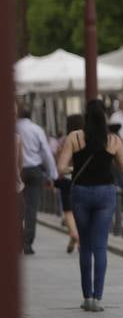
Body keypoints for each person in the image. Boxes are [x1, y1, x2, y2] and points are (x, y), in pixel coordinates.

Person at [56, 99, 123, 311]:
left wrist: (74, 169)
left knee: (85, 246)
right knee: (101, 246)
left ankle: (86, 297)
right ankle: (98, 298)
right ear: (104, 117)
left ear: (86, 116)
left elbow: (61, 167)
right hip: (105, 193)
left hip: (80, 193)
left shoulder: (75, 137)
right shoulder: (113, 140)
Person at [17, 104, 58, 254]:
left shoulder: (12, 128)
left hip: (15, 171)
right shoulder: (36, 129)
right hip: (34, 170)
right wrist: (52, 174)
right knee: (31, 208)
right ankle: (27, 243)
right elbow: (46, 152)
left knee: (15, 207)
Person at [54, 113, 83, 253]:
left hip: (66, 178)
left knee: (68, 209)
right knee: (80, 209)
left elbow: (58, 160)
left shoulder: (64, 140)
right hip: (82, 178)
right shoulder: (86, 139)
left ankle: (74, 235)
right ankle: (77, 235)